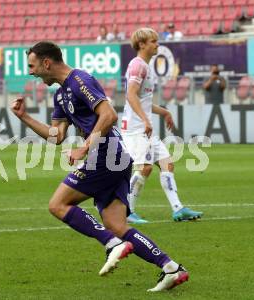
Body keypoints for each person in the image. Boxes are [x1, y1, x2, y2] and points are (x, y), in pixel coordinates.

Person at [11, 41, 189, 292]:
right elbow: (56, 136)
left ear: (46, 63)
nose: (31, 71)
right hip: (112, 156)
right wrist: (24, 117)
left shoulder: (80, 80)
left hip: (107, 153)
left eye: (32, 65)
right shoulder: (61, 93)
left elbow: (109, 115)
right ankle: (171, 267)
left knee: (58, 204)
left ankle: (111, 243)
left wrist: (85, 147)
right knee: (117, 225)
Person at [121, 28, 203, 224]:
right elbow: (130, 95)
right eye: (153, 41)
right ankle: (127, 211)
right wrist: (146, 120)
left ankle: (178, 209)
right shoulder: (138, 66)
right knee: (145, 168)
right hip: (135, 128)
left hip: (143, 126)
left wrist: (164, 112)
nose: (157, 44)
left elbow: (143, 100)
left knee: (167, 163)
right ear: (142, 44)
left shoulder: (145, 67)